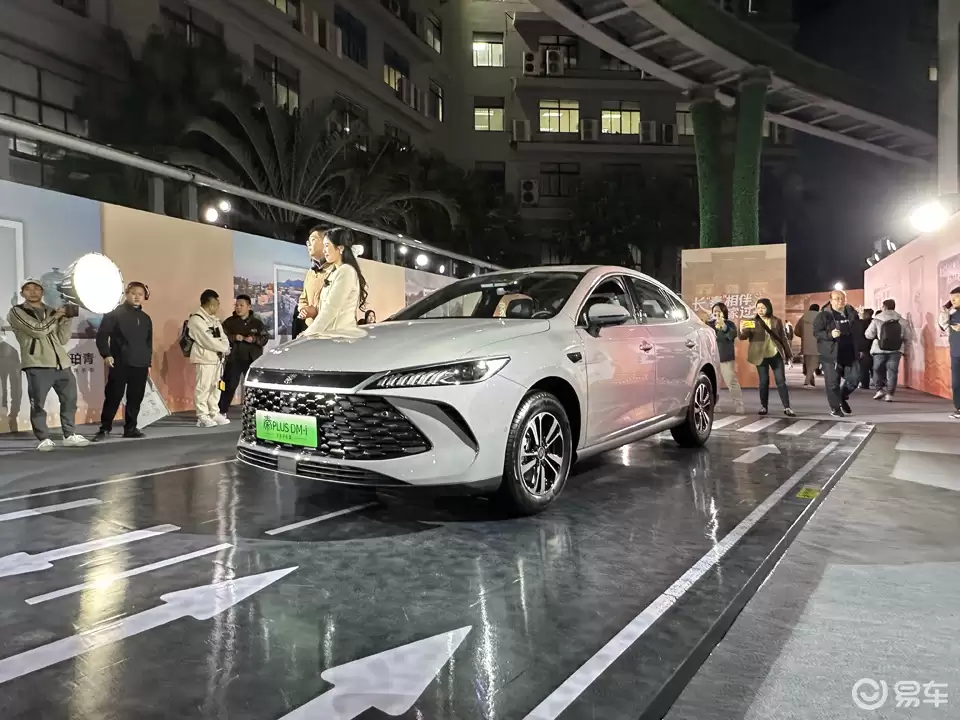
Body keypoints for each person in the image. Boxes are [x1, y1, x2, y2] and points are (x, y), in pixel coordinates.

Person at [6, 278, 90, 451]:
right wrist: (56, 316)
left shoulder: (51, 310)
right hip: (37, 364)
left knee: (70, 400)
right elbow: (37, 330)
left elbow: (62, 339)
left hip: (62, 363)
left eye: (36, 288)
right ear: (22, 293)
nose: (33, 291)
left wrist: (66, 319)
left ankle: (69, 435)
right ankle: (43, 438)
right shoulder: (17, 311)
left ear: (42, 291)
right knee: (38, 404)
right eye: (28, 289)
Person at [93, 282, 153, 441]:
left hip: (140, 364)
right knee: (113, 396)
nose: (137, 296)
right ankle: (105, 428)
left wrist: (148, 363)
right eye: (133, 293)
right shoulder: (114, 313)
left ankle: (131, 428)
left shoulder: (145, 318)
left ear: (145, 297)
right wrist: (106, 354)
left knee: (135, 397)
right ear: (126, 294)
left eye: (140, 294)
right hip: (120, 362)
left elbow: (148, 343)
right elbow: (102, 336)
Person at [302, 227, 369, 338]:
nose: (324, 250)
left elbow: (330, 309)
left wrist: (307, 334)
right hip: (330, 336)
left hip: (342, 337)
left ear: (340, 248)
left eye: (327, 246)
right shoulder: (334, 273)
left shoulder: (346, 271)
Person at [738, 298, 796, 417]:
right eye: (758, 308)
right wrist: (741, 329)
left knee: (781, 381)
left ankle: (787, 407)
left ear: (768, 308)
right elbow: (743, 337)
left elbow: (783, 338)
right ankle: (764, 406)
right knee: (763, 382)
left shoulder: (776, 321)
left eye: (763, 308)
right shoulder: (752, 322)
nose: (760, 310)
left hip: (775, 354)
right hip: (761, 356)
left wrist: (789, 355)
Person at [813, 289, 860, 417]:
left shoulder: (852, 313)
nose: (840, 301)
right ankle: (835, 408)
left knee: (854, 380)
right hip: (831, 354)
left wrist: (859, 348)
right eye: (837, 298)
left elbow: (857, 331)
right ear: (831, 300)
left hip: (850, 352)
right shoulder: (824, 315)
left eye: (843, 298)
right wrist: (830, 334)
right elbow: (817, 333)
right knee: (833, 384)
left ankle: (842, 397)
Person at [219, 294, 268, 415]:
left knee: (254, 387)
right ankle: (221, 411)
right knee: (229, 385)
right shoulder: (229, 322)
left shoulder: (257, 322)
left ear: (249, 307)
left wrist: (254, 339)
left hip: (252, 359)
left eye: (241, 305)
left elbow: (264, 338)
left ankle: (256, 411)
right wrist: (234, 337)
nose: (238, 308)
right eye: (236, 305)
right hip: (234, 358)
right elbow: (221, 337)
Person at [188, 289, 231, 428]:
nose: (218, 306)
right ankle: (202, 416)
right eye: (217, 303)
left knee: (216, 387)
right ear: (211, 304)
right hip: (204, 359)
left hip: (217, 359)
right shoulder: (196, 319)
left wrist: (225, 347)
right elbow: (207, 340)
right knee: (203, 387)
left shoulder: (214, 319)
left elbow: (223, 337)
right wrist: (223, 348)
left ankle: (214, 412)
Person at [865, 299, 910, 402]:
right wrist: (906, 350)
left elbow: (869, 335)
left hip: (879, 350)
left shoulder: (877, 319)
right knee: (892, 372)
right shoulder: (902, 320)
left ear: (884, 307)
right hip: (896, 350)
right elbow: (908, 337)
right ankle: (890, 394)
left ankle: (879, 390)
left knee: (877, 369)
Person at [708, 302, 745, 413]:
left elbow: (732, 336)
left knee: (731, 382)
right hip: (712, 358)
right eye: (714, 311)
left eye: (719, 311)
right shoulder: (709, 325)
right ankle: (715, 405)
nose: (716, 313)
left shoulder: (730, 324)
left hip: (726, 358)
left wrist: (723, 326)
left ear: (724, 312)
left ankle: (739, 404)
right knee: (714, 383)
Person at [297, 228, 334, 329]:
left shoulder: (337, 270)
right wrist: (303, 309)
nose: (308, 244)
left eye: (313, 239)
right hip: (311, 329)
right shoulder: (310, 273)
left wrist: (316, 310)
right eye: (308, 241)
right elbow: (303, 298)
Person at [939, 286, 960, 419]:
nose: (953, 300)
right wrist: (945, 310)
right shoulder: (952, 315)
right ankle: (959, 408)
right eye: (952, 298)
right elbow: (944, 326)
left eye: (957, 297)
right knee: (957, 383)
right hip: (956, 353)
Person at [796, 303, 820, 387]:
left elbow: (796, 331)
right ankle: (807, 379)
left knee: (808, 363)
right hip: (817, 344)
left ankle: (810, 378)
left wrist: (803, 336)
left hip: (805, 344)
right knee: (814, 363)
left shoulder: (803, 317)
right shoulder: (820, 317)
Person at [856, 308, 874, 390]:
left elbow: (859, 337)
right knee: (873, 366)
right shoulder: (874, 322)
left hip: (865, 348)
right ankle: (878, 382)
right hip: (874, 347)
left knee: (864, 367)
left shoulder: (860, 323)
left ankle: (864, 384)